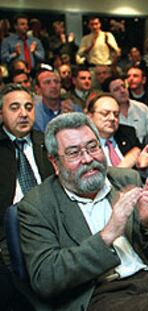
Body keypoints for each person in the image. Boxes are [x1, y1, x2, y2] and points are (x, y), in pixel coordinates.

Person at [17, 112, 148, 311]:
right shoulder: (37, 205)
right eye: (74, 153)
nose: (88, 159)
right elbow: (45, 278)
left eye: (92, 147)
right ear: (55, 162)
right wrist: (107, 235)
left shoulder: (126, 179)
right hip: (94, 294)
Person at [0, 84, 54, 311]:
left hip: (54, 225)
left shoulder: (49, 143)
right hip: (10, 234)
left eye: (29, 107)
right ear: (1, 113)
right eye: (14, 108)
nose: (23, 113)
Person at [87, 93, 148, 171]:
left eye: (116, 114)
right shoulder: (83, 143)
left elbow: (141, 163)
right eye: (105, 114)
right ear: (90, 117)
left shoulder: (127, 133)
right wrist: (123, 168)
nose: (112, 118)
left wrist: (142, 166)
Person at [103, 76, 148, 144]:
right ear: (109, 94)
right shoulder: (107, 115)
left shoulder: (142, 108)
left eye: (124, 86)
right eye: (116, 89)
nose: (122, 91)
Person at [33, 64, 82, 132]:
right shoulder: (34, 114)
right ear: (38, 89)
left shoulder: (75, 109)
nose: (54, 85)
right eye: (47, 82)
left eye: (56, 82)